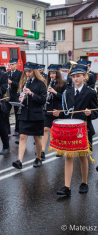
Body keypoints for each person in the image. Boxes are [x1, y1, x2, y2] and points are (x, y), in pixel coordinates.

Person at [52, 64, 98, 196]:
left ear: (84, 77)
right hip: (70, 129)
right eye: (74, 77)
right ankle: (67, 187)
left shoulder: (90, 92)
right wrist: (58, 114)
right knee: (68, 157)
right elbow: (66, 112)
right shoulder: (67, 92)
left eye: (78, 76)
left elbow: (96, 111)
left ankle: (84, 182)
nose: (76, 79)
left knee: (83, 156)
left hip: (84, 129)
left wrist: (90, 113)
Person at [12, 62, 47, 169]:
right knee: (22, 136)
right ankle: (19, 161)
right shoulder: (24, 82)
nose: (27, 73)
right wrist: (20, 97)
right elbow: (19, 93)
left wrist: (31, 94)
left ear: (35, 71)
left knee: (37, 138)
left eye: (29, 71)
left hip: (36, 114)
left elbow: (43, 100)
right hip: (24, 114)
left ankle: (38, 158)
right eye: (26, 71)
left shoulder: (41, 83)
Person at [41, 64, 66, 160]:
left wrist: (55, 92)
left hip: (58, 109)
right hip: (48, 109)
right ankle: (42, 151)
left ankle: (59, 150)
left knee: (58, 131)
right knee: (45, 129)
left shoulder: (63, 84)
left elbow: (64, 98)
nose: (52, 75)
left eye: (54, 73)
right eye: (51, 73)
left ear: (57, 74)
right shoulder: (46, 83)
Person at [5, 59, 23, 136]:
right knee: (5, 112)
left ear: (16, 64)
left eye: (12, 65)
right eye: (10, 65)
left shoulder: (20, 73)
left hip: (16, 95)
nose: (11, 66)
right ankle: (7, 130)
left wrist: (11, 82)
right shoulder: (7, 73)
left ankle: (17, 130)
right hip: (8, 96)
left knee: (17, 113)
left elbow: (20, 84)